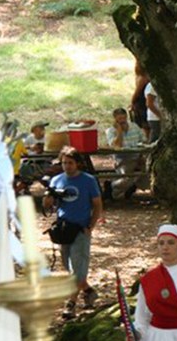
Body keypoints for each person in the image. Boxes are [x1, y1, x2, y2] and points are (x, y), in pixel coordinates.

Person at [44, 147, 103, 313]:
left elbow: (97, 204)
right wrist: (49, 196)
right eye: (64, 163)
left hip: (81, 229)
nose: (67, 166)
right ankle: (89, 292)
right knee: (68, 266)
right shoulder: (56, 180)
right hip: (64, 229)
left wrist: (90, 226)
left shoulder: (88, 180)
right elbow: (47, 206)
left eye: (70, 163)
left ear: (77, 163)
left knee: (78, 267)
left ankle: (71, 303)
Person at [106, 108, 147, 201]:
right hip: (123, 158)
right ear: (115, 119)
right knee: (126, 179)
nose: (122, 121)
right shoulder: (111, 131)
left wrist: (141, 154)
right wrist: (119, 131)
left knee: (147, 173)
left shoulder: (134, 127)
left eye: (123, 118)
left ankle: (132, 186)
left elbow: (143, 141)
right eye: (119, 119)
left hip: (137, 156)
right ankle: (112, 187)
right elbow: (117, 146)